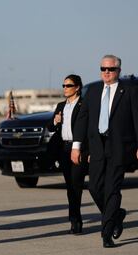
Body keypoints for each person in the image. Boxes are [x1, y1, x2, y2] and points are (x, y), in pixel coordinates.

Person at [72, 54, 138, 248]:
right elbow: (83, 120)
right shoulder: (93, 91)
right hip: (97, 147)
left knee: (112, 189)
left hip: (120, 148)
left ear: (118, 71)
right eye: (103, 69)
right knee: (94, 187)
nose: (106, 72)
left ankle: (106, 233)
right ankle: (117, 214)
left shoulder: (130, 90)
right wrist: (77, 146)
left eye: (110, 69)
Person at [47, 74, 87, 235]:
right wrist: (56, 121)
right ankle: (73, 218)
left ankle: (76, 221)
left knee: (76, 185)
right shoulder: (61, 105)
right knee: (70, 186)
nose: (65, 88)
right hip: (63, 149)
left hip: (78, 149)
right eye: (63, 85)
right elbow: (50, 127)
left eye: (68, 85)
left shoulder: (84, 105)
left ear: (77, 87)